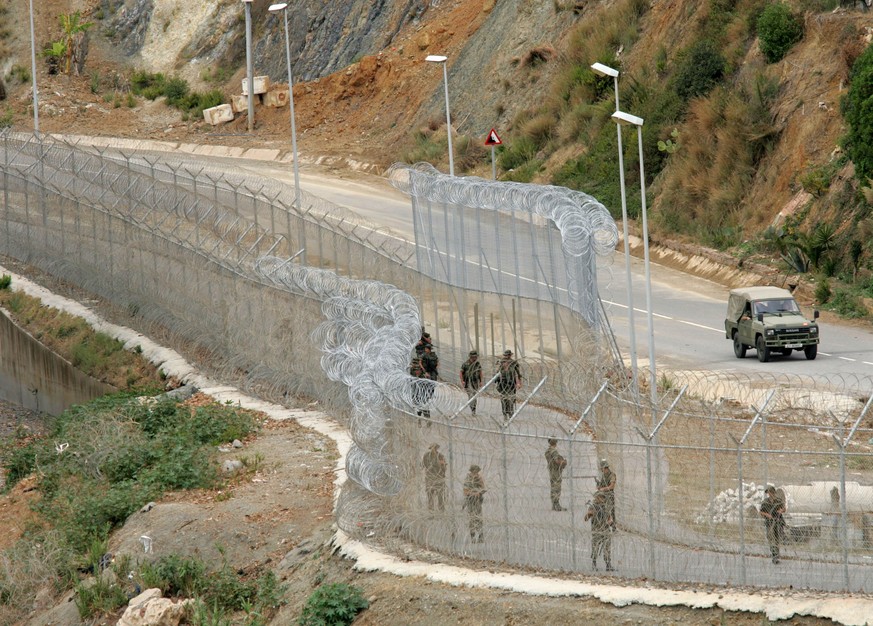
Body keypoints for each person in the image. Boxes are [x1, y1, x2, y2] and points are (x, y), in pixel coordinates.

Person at [585, 492, 613, 571]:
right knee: (595, 547)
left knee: (607, 547)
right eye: (600, 497)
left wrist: (610, 521)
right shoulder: (593, 507)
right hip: (596, 530)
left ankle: (608, 565)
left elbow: (610, 517)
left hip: (605, 529)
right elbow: (586, 519)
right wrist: (589, 514)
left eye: (603, 497)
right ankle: (594, 564)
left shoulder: (606, 507)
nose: (601, 499)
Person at [760, 484, 786, 564]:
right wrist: (767, 515)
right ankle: (774, 555)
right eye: (768, 492)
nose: (770, 494)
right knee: (771, 539)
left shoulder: (778, 501)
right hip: (769, 523)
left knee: (777, 539)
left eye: (771, 492)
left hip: (778, 522)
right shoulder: (765, 502)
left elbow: (784, 509)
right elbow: (761, 512)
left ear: (773, 492)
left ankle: (776, 555)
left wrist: (781, 511)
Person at [463, 464, 486, 543]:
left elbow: (483, 488)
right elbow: (465, 491)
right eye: (475, 472)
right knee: (472, 518)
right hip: (471, 501)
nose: (476, 474)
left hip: (478, 501)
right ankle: (472, 536)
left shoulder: (479, 478)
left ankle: (481, 535)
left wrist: (480, 488)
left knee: (479, 518)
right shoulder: (468, 479)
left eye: (477, 472)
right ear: (472, 472)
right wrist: (473, 493)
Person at [495, 349, 521, 420]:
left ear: (510, 355)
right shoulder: (501, 362)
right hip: (502, 384)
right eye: (506, 355)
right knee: (504, 400)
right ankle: (505, 414)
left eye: (508, 355)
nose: (507, 357)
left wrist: (518, 383)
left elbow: (517, 374)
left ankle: (510, 413)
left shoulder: (513, 363)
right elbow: (497, 373)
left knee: (511, 399)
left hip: (511, 384)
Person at [422, 443, 447, 511]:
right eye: (433, 447)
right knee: (430, 495)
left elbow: (444, 468)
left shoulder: (440, 456)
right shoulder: (426, 455)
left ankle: (441, 510)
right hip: (430, 478)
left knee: (440, 495)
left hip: (439, 478)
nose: (434, 449)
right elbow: (422, 465)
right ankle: (431, 511)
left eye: (435, 448)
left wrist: (442, 464)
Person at [545, 438, 567, 511]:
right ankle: (556, 504)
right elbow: (556, 461)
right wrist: (563, 462)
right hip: (556, 471)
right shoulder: (554, 451)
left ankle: (554, 504)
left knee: (553, 487)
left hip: (551, 470)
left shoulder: (548, 451)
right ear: (556, 443)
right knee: (557, 487)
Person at [409, 357, 433, 426]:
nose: (417, 371)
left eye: (418, 370)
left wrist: (429, 394)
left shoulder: (424, 377)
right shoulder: (412, 377)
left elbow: (429, 386)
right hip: (416, 394)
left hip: (423, 395)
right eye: (415, 370)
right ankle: (419, 421)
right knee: (418, 409)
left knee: (425, 408)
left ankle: (428, 420)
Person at [595, 458, 616, 530]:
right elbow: (600, 486)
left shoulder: (612, 475)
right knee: (604, 511)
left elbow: (612, 486)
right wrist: (598, 485)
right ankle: (606, 526)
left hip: (609, 495)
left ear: (604, 468)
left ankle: (613, 527)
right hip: (603, 496)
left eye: (602, 469)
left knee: (610, 511)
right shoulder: (603, 475)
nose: (602, 470)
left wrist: (603, 489)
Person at [460, 350, 482, 415]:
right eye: (474, 357)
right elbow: (461, 372)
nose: (475, 358)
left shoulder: (477, 364)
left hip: (475, 382)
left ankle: (474, 409)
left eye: (476, 357)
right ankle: (472, 408)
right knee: (470, 396)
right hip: (468, 382)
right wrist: (462, 381)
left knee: (474, 396)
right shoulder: (465, 364)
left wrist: (481, 381)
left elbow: (480, 372)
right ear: (470, 357)